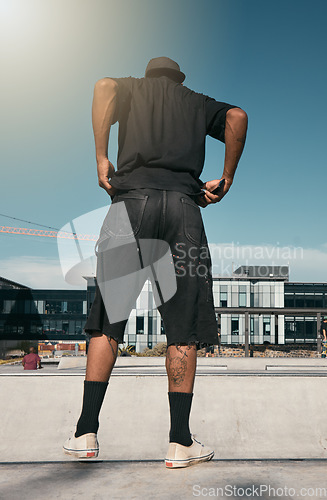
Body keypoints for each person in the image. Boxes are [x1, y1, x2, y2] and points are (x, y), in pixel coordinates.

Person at [63, 57, 248, 467]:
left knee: (109, 319)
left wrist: (101, 157)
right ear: (178, 79)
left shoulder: (131, 88)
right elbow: (237, 115)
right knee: (182, 328)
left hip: (131, 205)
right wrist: (227, 176)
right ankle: (180, 442)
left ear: (149, 77)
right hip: (184, 208)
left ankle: (85, 432)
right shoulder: (196, 102)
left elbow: (103, 86)